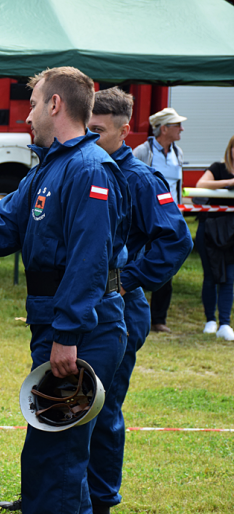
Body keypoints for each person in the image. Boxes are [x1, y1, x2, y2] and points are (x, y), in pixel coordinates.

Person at [0, 67, 131, 514]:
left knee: (56, 458)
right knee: (52, 452)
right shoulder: (49, 169)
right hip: (58, 324)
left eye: (34, 103)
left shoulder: (90, 169)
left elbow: (89, 259)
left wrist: (68, 334)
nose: (27, 116)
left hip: (83, 331)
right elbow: (1, 226)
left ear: (55, 105)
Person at [84, 88, 191, 514]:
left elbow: (175, 240)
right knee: (68, 398)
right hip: (78, 302)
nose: (90, 138)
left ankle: (101, 502)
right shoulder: (84, 167)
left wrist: (127, 281)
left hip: (122, 309)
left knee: (103, 407)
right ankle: (58, 489)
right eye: (85, 128)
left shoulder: (140, 178)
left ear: (125, 130)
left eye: (99, 131)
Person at [133, 107, 187, 334]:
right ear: (164, 129)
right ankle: (134, 313)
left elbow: (177, 187)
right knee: (137, 264)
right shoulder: (142, 152)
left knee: (165, 268)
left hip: (170, 220)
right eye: (177, 125)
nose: (181, 129)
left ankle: (158, 320)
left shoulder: (178, 152)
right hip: (146, 222)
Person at [195, 134, 234, 341]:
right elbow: (201, 184)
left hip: (232, 234)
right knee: (210, 276)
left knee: (229, 277)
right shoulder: (217, 167)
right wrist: (229, 182)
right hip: (210, 230)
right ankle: (210, 320)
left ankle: (225, 324)